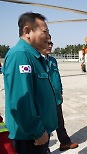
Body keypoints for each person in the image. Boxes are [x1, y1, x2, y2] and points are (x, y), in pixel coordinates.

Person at [2, 12, 58, 154]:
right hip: (29, 137)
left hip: (38, 134)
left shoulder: (34, 56)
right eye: (44, 31)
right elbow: (20, 101)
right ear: (27, 31)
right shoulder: (20, 55)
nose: (47, 36)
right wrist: (37, 131)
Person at [40, 35, 78, 151]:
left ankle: (65, 142)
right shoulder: (36, 60)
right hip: (45, 100)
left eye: (51, 43)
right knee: (45, 125)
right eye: (47, 43)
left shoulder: (52, 60)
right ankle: (44, 148)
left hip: (56, 97)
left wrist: (60, 91)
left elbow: (57, 77)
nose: (50, 46)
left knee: (59, 121)